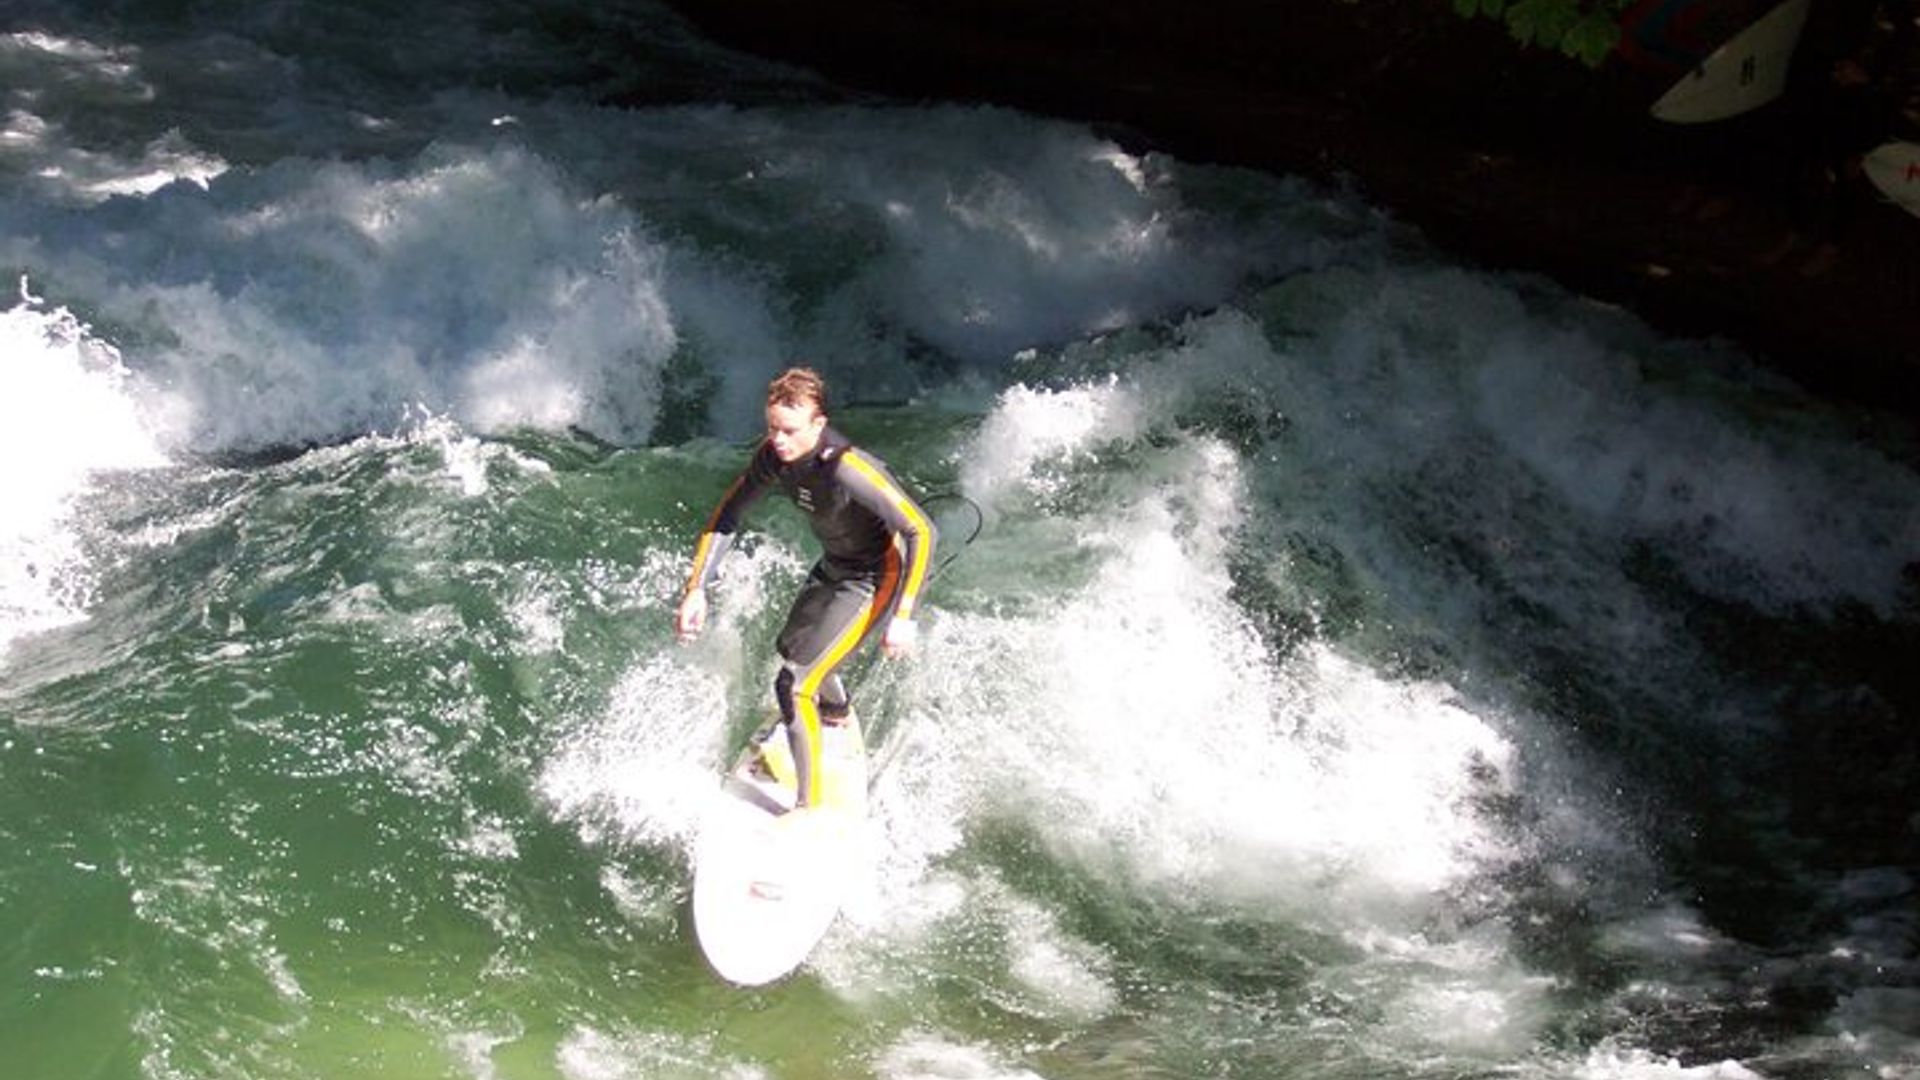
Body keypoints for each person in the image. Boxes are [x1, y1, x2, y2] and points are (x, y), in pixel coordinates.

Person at [675, 367, 937, 810]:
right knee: (791, 647)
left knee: (793, 685)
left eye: (790, 431)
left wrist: (904, 614)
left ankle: (807, 808)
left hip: (874, 577)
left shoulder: (848, 468)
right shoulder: (773, 457)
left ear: (818, 425)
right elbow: (727, 515)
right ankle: (835, 713)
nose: (778, 440)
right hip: (835, 564)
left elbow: (922, 530)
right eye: (772, 428)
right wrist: (696, 588)